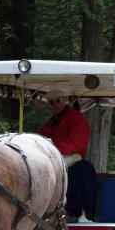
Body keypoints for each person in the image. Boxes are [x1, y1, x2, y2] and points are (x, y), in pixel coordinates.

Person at [40, 88, 98, 222]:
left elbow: (75, 143)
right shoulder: (49, 123)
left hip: (70, 156)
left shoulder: (76, 119)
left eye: (58, 101)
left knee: (74, 170)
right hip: (52, 153)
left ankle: (73, 211)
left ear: (65, 100)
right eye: (51, 102)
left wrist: (50, 147)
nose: (54, 104)